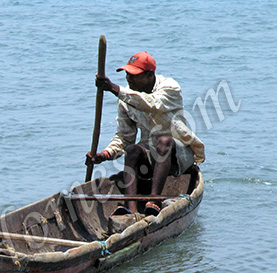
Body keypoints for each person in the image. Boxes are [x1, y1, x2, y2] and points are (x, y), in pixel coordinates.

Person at [85, 51, 204, 215]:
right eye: (127, 74)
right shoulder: (125, 98)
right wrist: (104, 155)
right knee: (132, 149)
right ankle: (131, 209)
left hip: (178, 157)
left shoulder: (170, 88)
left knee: (164, 141)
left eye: (134, 75)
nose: (129, 79)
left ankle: (154, 201)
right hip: (151, 157)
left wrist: (114, 88)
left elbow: (152, 104)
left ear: (150, 75)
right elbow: (124, 137)